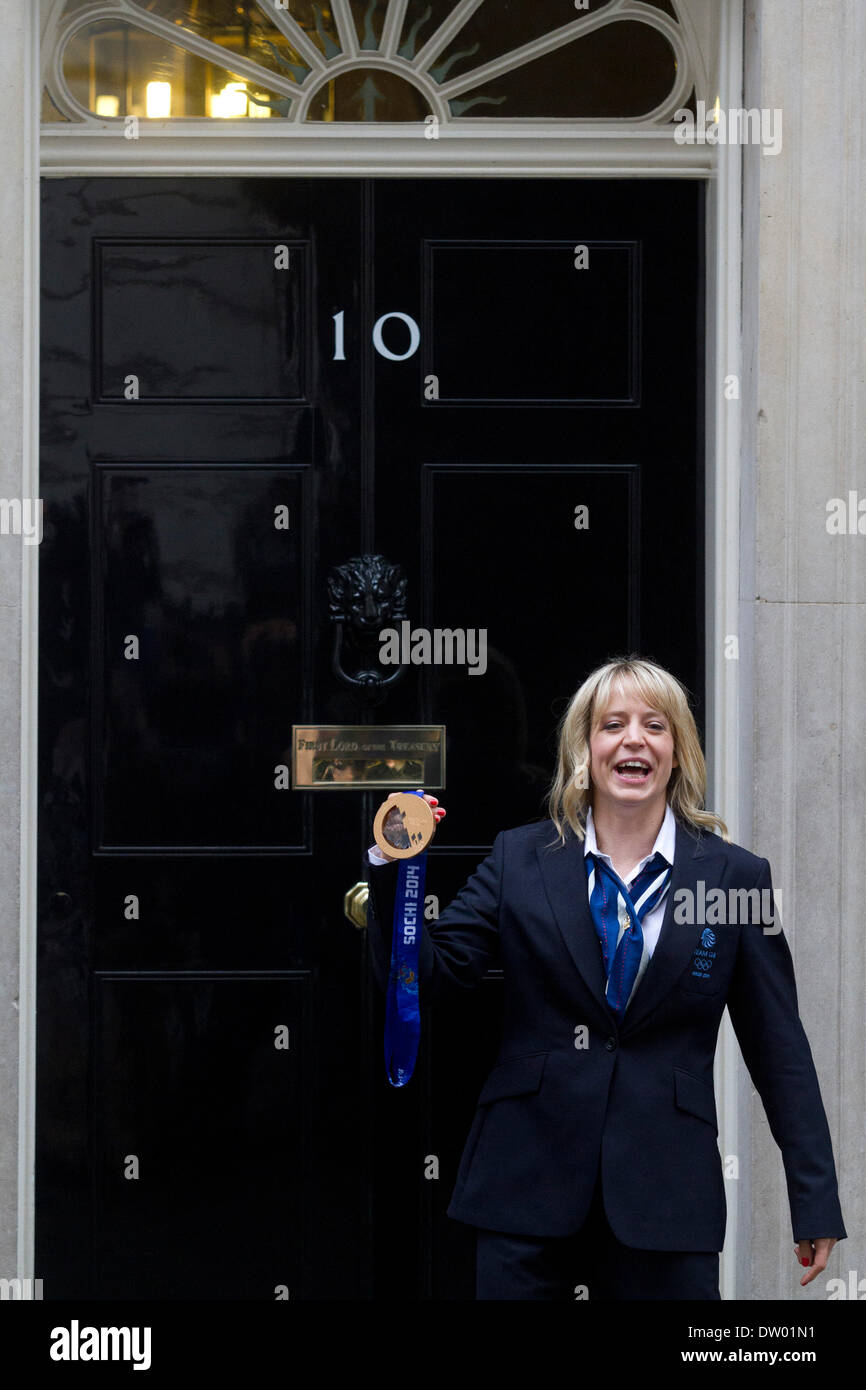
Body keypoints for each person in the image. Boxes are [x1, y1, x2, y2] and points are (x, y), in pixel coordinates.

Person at [364, 656, 846, 1300]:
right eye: (612, 724)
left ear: (678, 752)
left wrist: (813, 1197)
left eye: (655, 724)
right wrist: (396, 869)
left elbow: (779, 1045)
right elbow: (433, 978)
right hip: (525, 1187)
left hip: (667, 1197)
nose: (633, 738)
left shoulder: (733, 878)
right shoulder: (521, 857)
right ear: (585, 751)